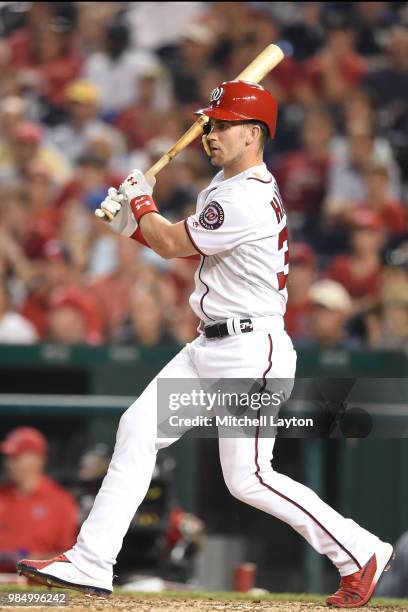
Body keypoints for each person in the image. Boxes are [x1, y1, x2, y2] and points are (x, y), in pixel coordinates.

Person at [17, 80, 393, 607]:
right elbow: (174, 240)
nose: (210, 134)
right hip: (209, 345)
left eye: (223, 125)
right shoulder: (224, 185)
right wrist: (131, 219)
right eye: (210, 123)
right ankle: (91, 560)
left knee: (250, 478)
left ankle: (360, 550)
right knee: (137, 429)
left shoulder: (246, 197)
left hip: (249, 349)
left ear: (254, 134)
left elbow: (171, 243)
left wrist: (142, 200)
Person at [0, 427, 79, 572]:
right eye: (8, 457)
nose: (9, 463)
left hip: (39, 586)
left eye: (16, 458)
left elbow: (71, 555)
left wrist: (36, 560)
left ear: (37, 459)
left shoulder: (60, 501)